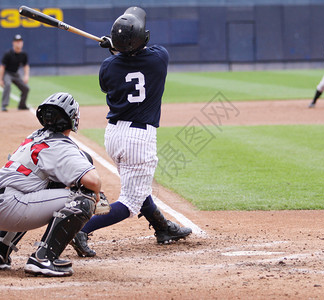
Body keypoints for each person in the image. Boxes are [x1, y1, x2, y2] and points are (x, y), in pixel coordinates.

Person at [70, 7, 192, 258]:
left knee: (137, 186)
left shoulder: (107, 67)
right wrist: (118, 49)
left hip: (114, 135)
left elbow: (111, 79)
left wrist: (115, 52)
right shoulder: (160, 59)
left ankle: (162, 227)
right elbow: (141, 54)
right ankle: (79, 229)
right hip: (139, 138)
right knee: (129, 204)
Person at [0, 92, 102, 277]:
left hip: (7, 201)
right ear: (72, 119)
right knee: (83, 199)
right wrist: (97, 196)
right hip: (10, 207)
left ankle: (0, 249)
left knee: (43, 186)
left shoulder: (35, 136)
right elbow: (93, 180)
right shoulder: (60, 145)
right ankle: (44, 258)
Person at [0, 34, 30, 111]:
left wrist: (26, 75)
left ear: (22, 43)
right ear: (13, 43)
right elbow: (2, 67)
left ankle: (22, 105)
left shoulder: (23, 54)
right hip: (7, 73)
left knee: (26, 88)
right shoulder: (8, 53)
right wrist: (1, 79)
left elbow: (26, 65)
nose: (18, 43)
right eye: (17, 41)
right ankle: (4, 105)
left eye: (20, 41)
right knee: (8, 84)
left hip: (15, 74)